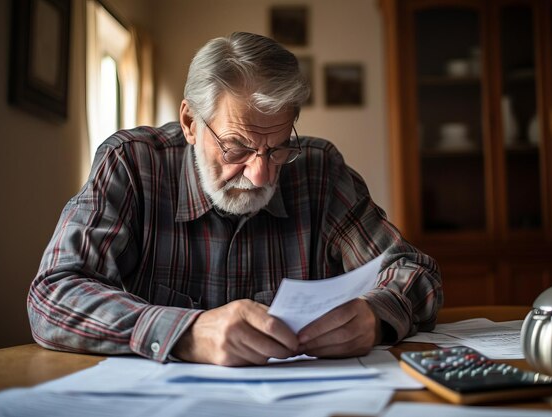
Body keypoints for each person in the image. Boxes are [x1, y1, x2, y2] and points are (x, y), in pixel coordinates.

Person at [27, 32, 442, 366]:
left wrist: (375, 316)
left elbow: (414, 271)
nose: (261, 173)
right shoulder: (132, 165)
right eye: (236, 147)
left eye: (277, 146)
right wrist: (188, 333)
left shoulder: (318, 171)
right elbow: (53, 294)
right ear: (190, 123)